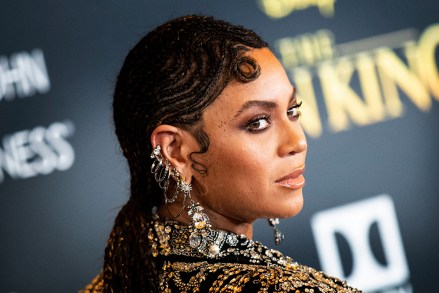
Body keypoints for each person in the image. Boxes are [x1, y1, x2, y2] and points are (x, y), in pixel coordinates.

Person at [82, 15, 361, 292]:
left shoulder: (115, 278)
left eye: (292, 110)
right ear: (174, 151)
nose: (297, 142)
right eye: (258, 123)